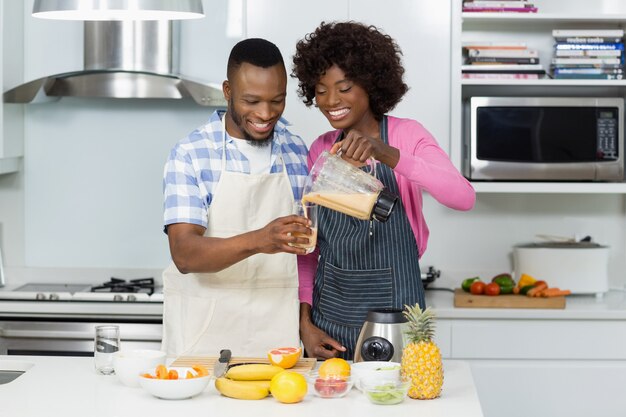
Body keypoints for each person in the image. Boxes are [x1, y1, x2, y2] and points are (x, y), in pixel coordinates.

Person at [292, 21, 476, 360]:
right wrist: (304, 323)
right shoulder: (320, 150)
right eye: (320, 90)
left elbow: (462, 197)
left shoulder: (408, 137)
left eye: (344, 87)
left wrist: (385, 153)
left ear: (371, 83)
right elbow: (308, 248)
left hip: (397, 316)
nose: (331, 100)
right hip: (330, 319)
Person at [161, 38, 312, 358]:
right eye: (251, 100)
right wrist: (260, 239)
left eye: (277, 100)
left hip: (277, 338)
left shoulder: (296, 150)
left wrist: (305, 323)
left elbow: (304, 254)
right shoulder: (191, 154)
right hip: (204, 338)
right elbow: (185, 254)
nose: (265, 113)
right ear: (227, 91)